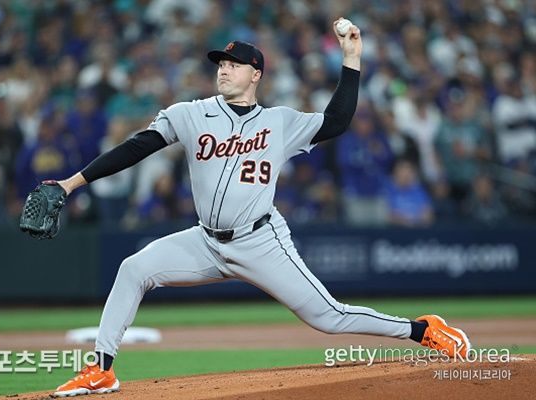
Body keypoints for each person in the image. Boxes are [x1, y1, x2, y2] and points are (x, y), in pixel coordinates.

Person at [49, 20, 471, 397]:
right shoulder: (190, 114)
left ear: (256, 74)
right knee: (133, 269)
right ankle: (101, 370)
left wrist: (351, 59)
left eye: (233, 64)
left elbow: (337, 121)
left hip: (261, 241)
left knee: (329, 317)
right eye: (221, 63)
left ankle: (422, 330)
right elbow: (135, 148)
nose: (223, 69)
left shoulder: (279, 122)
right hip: (205, 241)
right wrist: (70, 184)